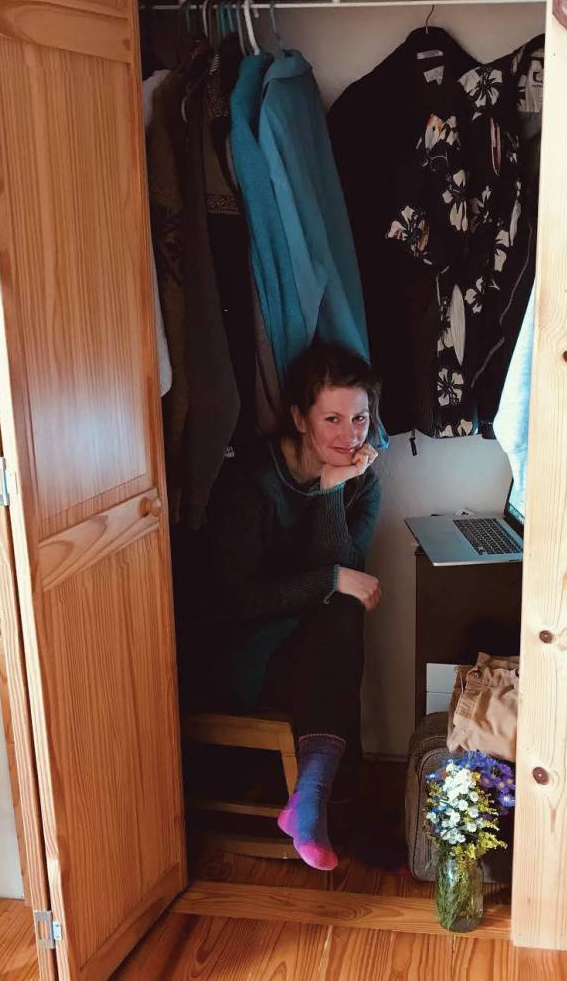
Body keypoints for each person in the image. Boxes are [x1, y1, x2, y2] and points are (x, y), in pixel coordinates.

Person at [201, 343, 383, 871]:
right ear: (300, 419)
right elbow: (241, 600)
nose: (350, 436)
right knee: (338, 609)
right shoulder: (253, 481)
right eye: (332, 419)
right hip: (244, 650)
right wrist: (330, 578)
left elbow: (346, 571)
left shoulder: (362, 482)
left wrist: (330, 494)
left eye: (359, 418)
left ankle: (312, 798)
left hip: (312, 648)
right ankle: (324, 799)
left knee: (341, 612)